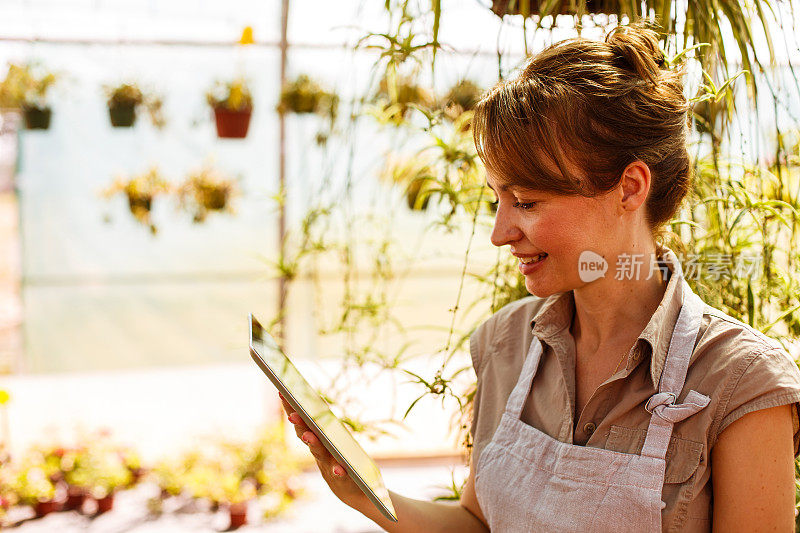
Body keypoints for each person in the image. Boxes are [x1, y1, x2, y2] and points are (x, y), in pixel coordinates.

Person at [280, 23, 800, 532]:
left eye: (526, 202)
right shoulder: (505, 342)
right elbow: (478, 522)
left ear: (630, 187)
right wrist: (369, 496)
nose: (501, 232)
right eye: (498, 200)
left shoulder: (739, 382)